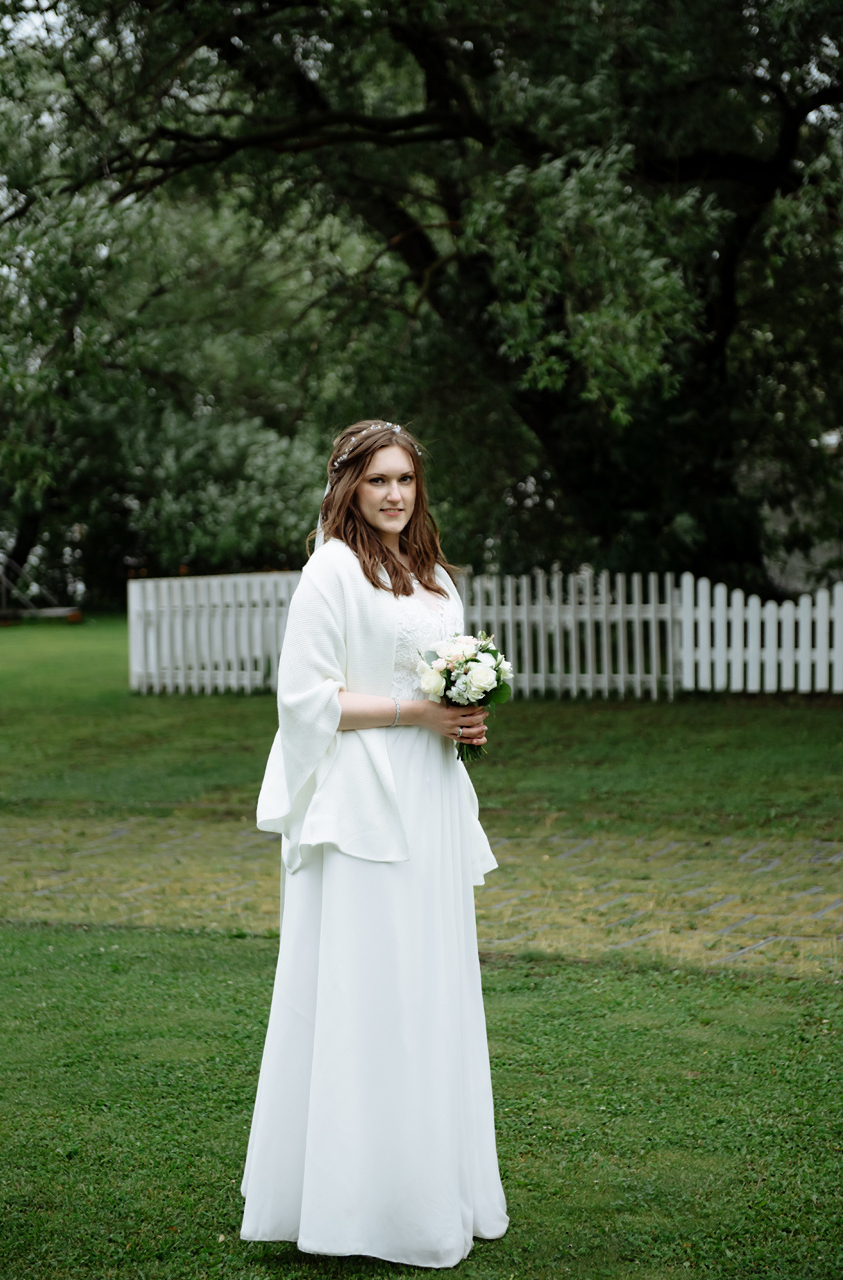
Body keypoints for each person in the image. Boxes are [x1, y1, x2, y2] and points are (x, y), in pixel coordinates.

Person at [240, 420, 509, 1268]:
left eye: (404, 479)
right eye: (376, 480)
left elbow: (435, 676)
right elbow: (303, 699)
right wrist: (415, 712)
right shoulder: (330, 571)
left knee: (427, 986)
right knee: (368, 990)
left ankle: (428, 1189)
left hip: (428, 796)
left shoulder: (434, 577)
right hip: (360, 807)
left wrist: (461, 717)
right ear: (347, 487)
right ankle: (350, 1204)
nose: (393, 494)